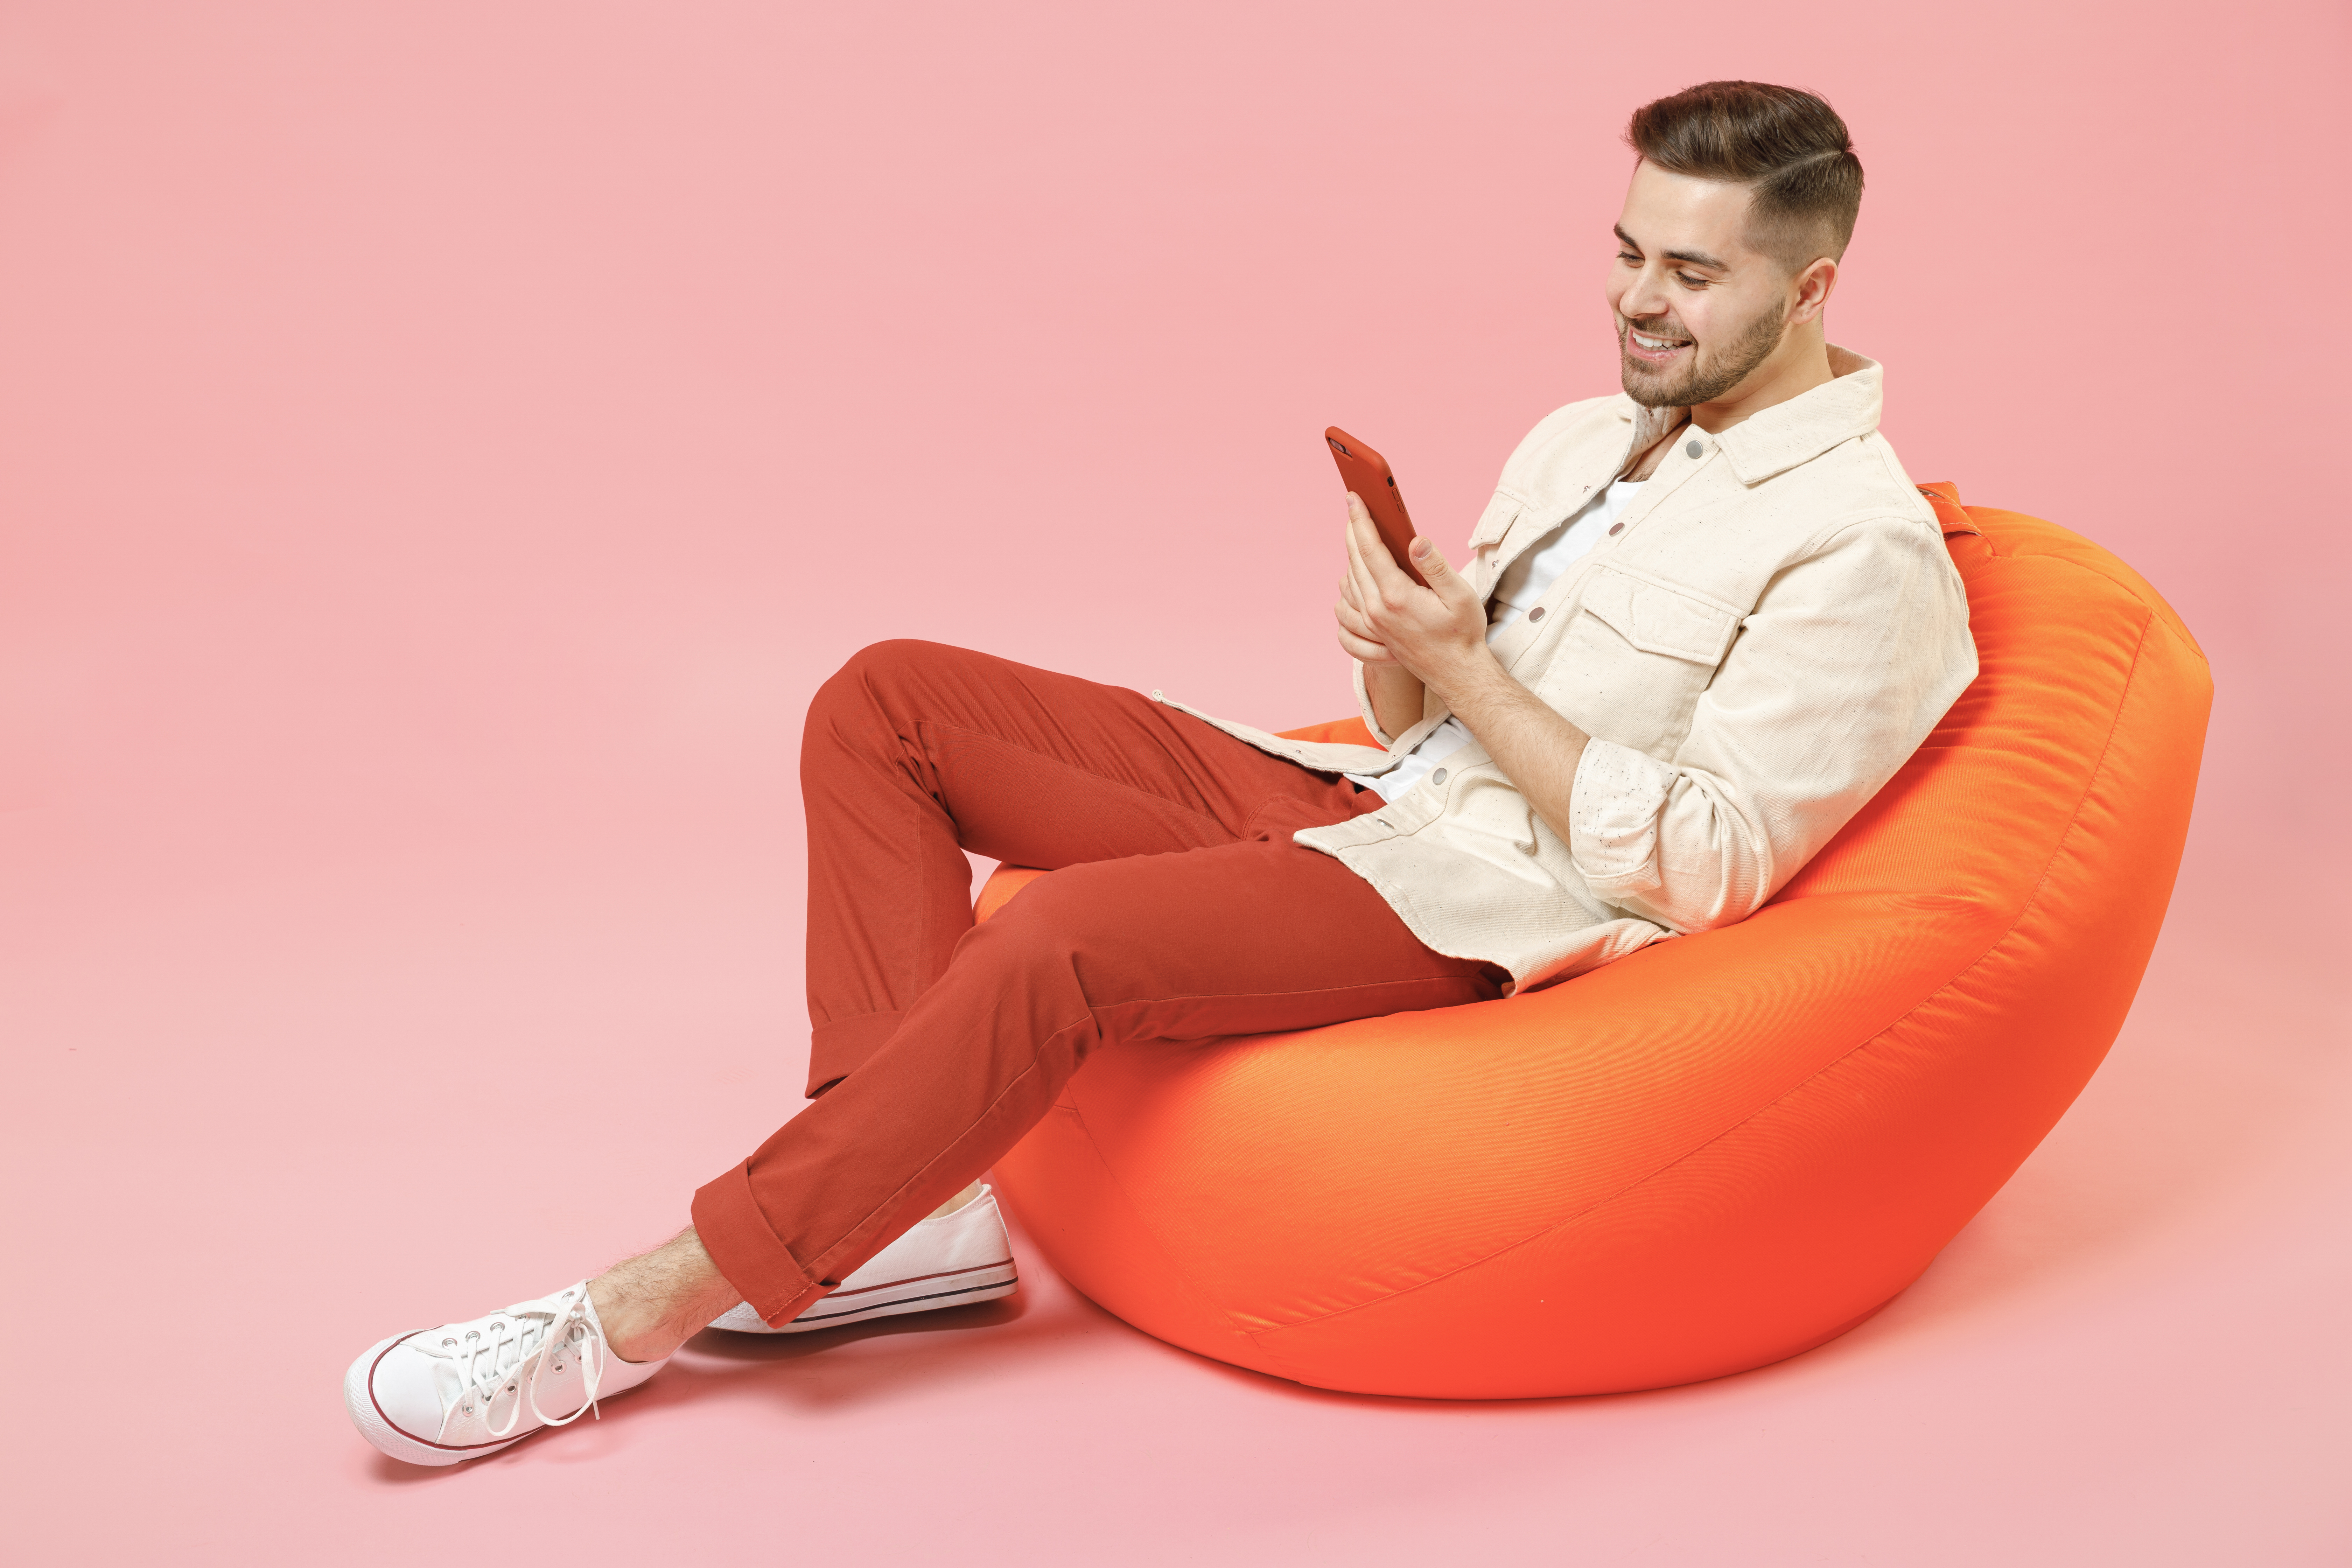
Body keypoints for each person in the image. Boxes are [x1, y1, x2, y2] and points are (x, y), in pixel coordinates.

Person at [344, 79, 1976, 1465]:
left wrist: (1465, 670)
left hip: (1498, 902)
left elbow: (1701, 865)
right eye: (1627, 250)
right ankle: (904, 1215)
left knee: (1054, 938)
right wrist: (1406, 639)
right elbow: (1418, 717)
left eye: (1692, 272)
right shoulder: (1584, 433)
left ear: (1815, 285)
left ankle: (633, 1311)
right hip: (1379, 795)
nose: (1638, 299)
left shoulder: (1865, 548)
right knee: (887, 702)